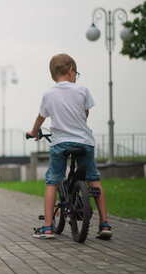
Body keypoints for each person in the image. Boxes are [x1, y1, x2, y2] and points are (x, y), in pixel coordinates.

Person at [27, 53, 112, 240]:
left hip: (60, 143)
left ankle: (48, 227)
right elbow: (85, 112)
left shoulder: (49, 94)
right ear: (71, 70)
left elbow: (40, 118)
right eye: (76, 73)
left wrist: (33, 132)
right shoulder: (82, 90)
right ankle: (105, 224)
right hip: (85, 142)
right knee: (93, 179)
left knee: (53, 181)